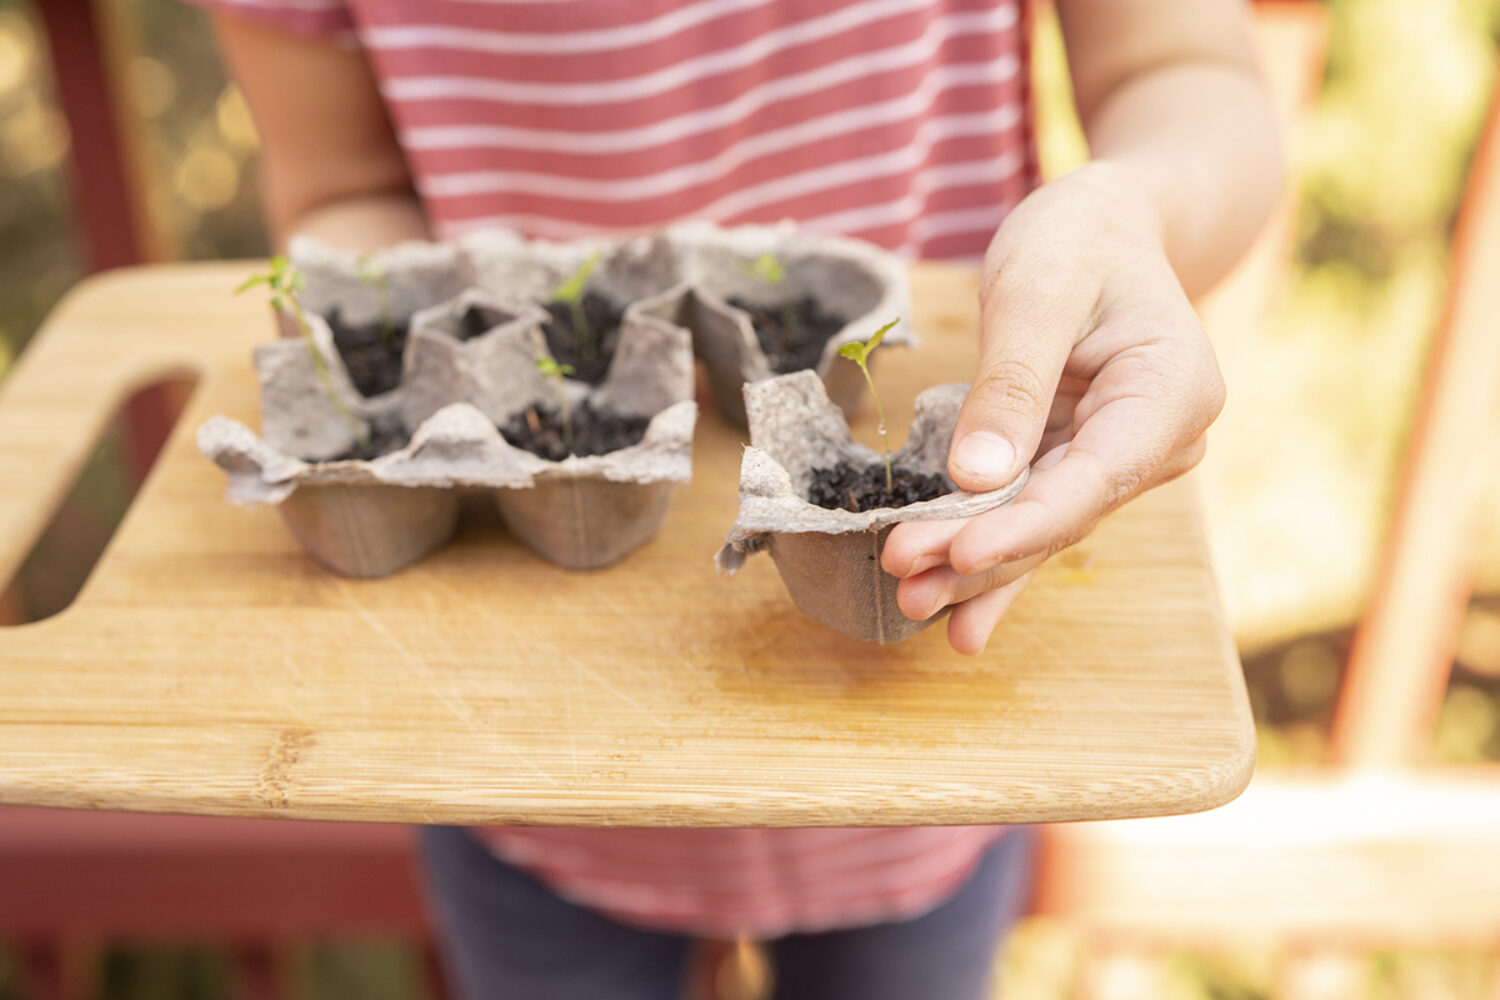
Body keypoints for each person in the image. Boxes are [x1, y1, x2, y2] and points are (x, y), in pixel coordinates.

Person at [188, 1, 1280, 997]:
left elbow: (1183, 68)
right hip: (533, 754)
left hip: (931, 755)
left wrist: (1136, 209)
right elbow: (340, 187)